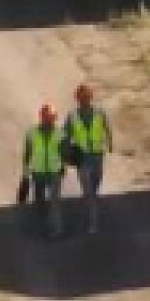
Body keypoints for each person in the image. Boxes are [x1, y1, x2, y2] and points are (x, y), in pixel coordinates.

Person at [64, 84, 113, 234]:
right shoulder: (72, 117)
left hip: (98, 156)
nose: (84, 100)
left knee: (95, 188)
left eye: (87, 97)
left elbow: (106, 128)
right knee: (89, 191)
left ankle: (89, 207)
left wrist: (110, 143)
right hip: (82, 158)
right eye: (81, 97)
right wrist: (65, 155)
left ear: (90, 97)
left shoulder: (100, 113)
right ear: (77, 99)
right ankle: (93, 223)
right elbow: (65, 136)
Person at [22, 103, 65, 237]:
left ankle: (56, 229)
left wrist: (63, 166)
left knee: (54, 202)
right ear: (42, 117)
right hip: (38, 173)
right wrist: (25, 172)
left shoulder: (60, 133)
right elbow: (28, 153)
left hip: (54, 172)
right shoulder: (31, 133)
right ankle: (41, 226)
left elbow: (64, 152)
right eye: (48, 117)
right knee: (39, 202)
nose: (50, 120)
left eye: (52, 118)